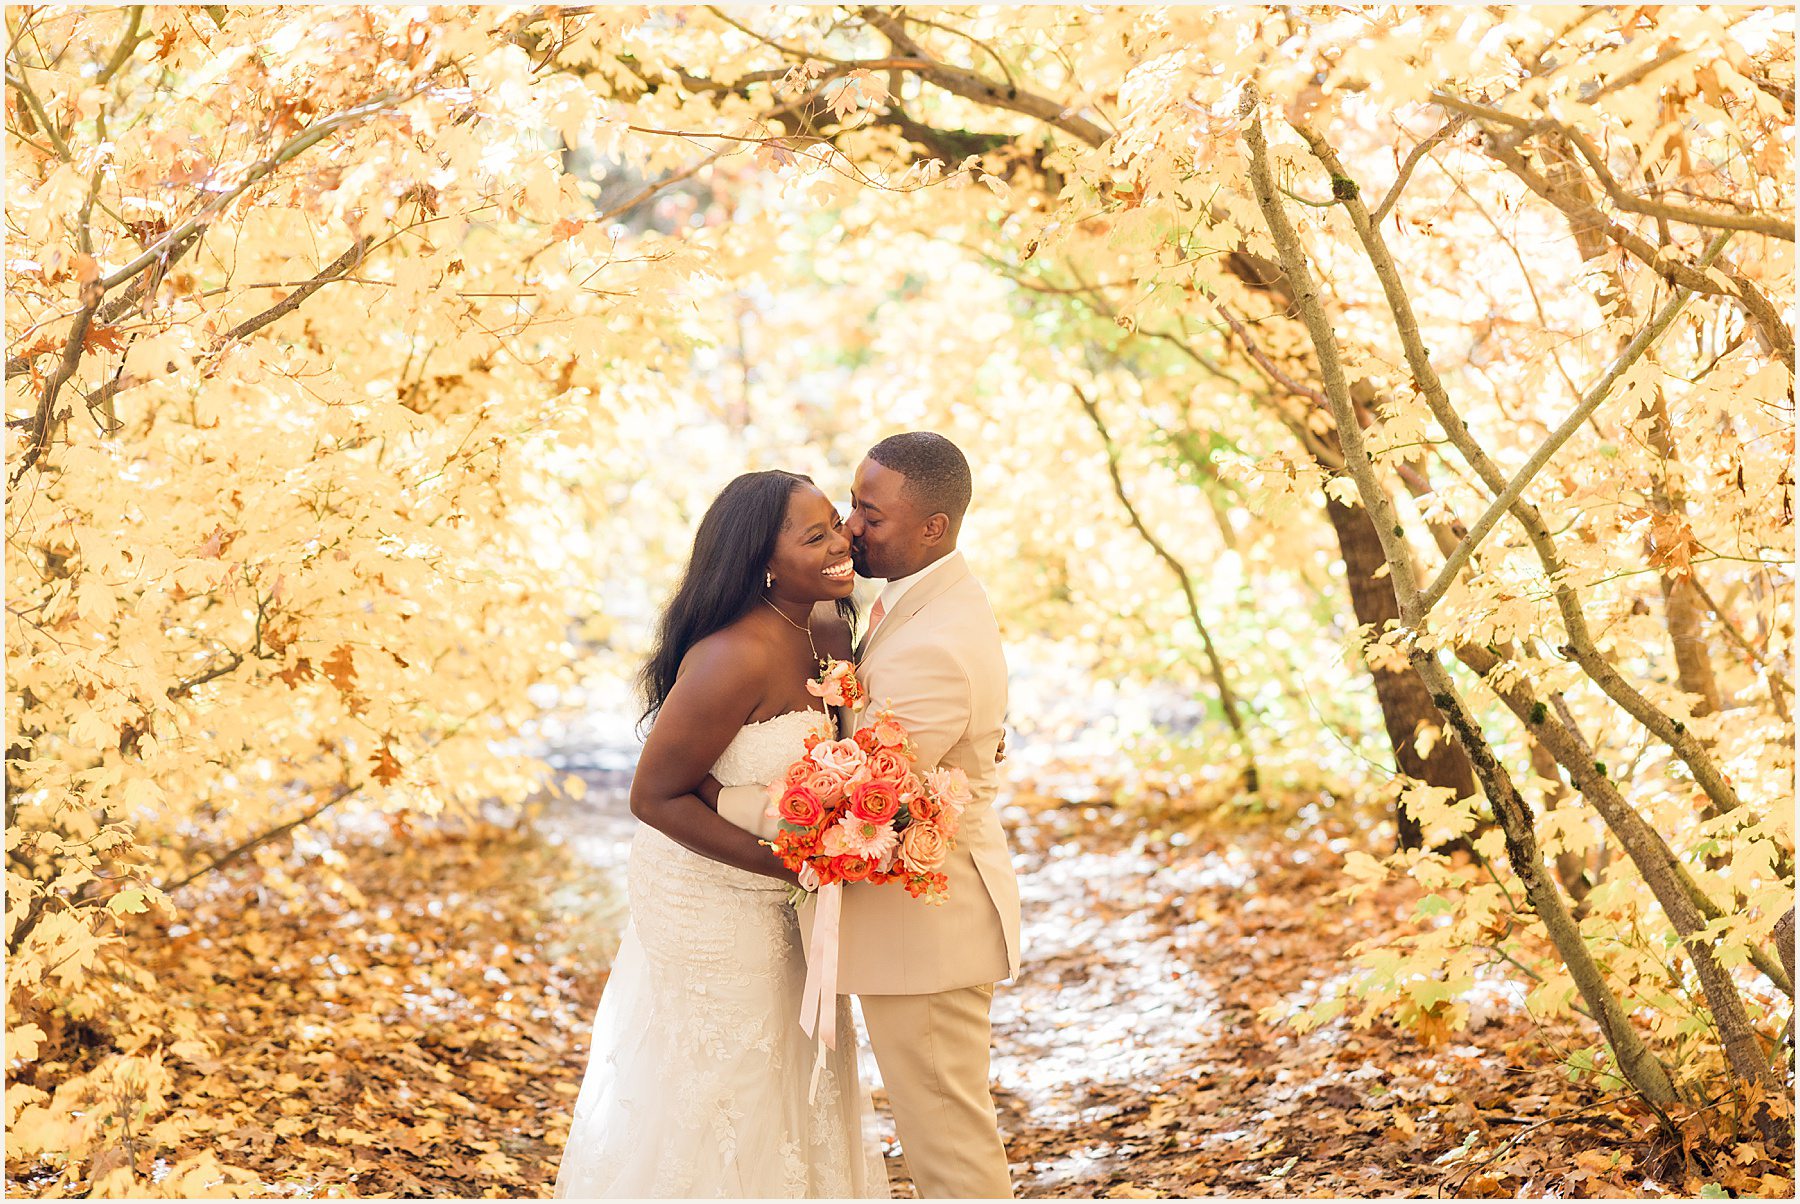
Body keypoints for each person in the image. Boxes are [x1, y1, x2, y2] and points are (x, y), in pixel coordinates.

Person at [554, 470, 888, 1199]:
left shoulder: (833, 625)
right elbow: (655, 796)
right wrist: (796, 865)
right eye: (816, 535)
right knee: (733, 1080)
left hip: (791, 890)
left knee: (805, 1072)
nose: (842, 543)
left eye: (838, 522)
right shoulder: (731, 654)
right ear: (761, 562)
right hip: (705, 892)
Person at [713, 432, 1022, 1198]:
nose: (851, 526)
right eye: (852, 504)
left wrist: (721, 799)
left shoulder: (937, 641)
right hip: (918, 927)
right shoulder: (915, 603)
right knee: (941, 1135)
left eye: (868, 512)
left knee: (949, 1146)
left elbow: (855, 802)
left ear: (933, 527)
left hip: (930, 930)